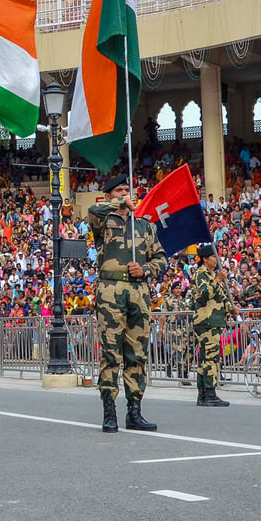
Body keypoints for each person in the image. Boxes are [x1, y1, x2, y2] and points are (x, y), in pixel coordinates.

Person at [88, 175, 167, 433]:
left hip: (138, 290)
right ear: (110, 194)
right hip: (111, 290)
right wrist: (119, 203)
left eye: (126, 190)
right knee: (111, 353)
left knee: (137, 353)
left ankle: (135, 410)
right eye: (119, 191)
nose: (124, 194)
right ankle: (108, 411)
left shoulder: (144, 225)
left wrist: (144, 269)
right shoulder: (103, 220)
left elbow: (161, 259)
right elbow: (92, 209)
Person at [190, 243, 238, 407]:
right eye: (212, 257)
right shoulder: (201, 274)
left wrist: (230, 308)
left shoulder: (210, 274)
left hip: (214, 320)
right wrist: (218, 279)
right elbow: (205, 294)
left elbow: (219, 297)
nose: (215, 260)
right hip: (207, 321)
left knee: (206, 358)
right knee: (210, 358)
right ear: (205, 259)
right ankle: (210, 393)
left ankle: (203, 394)